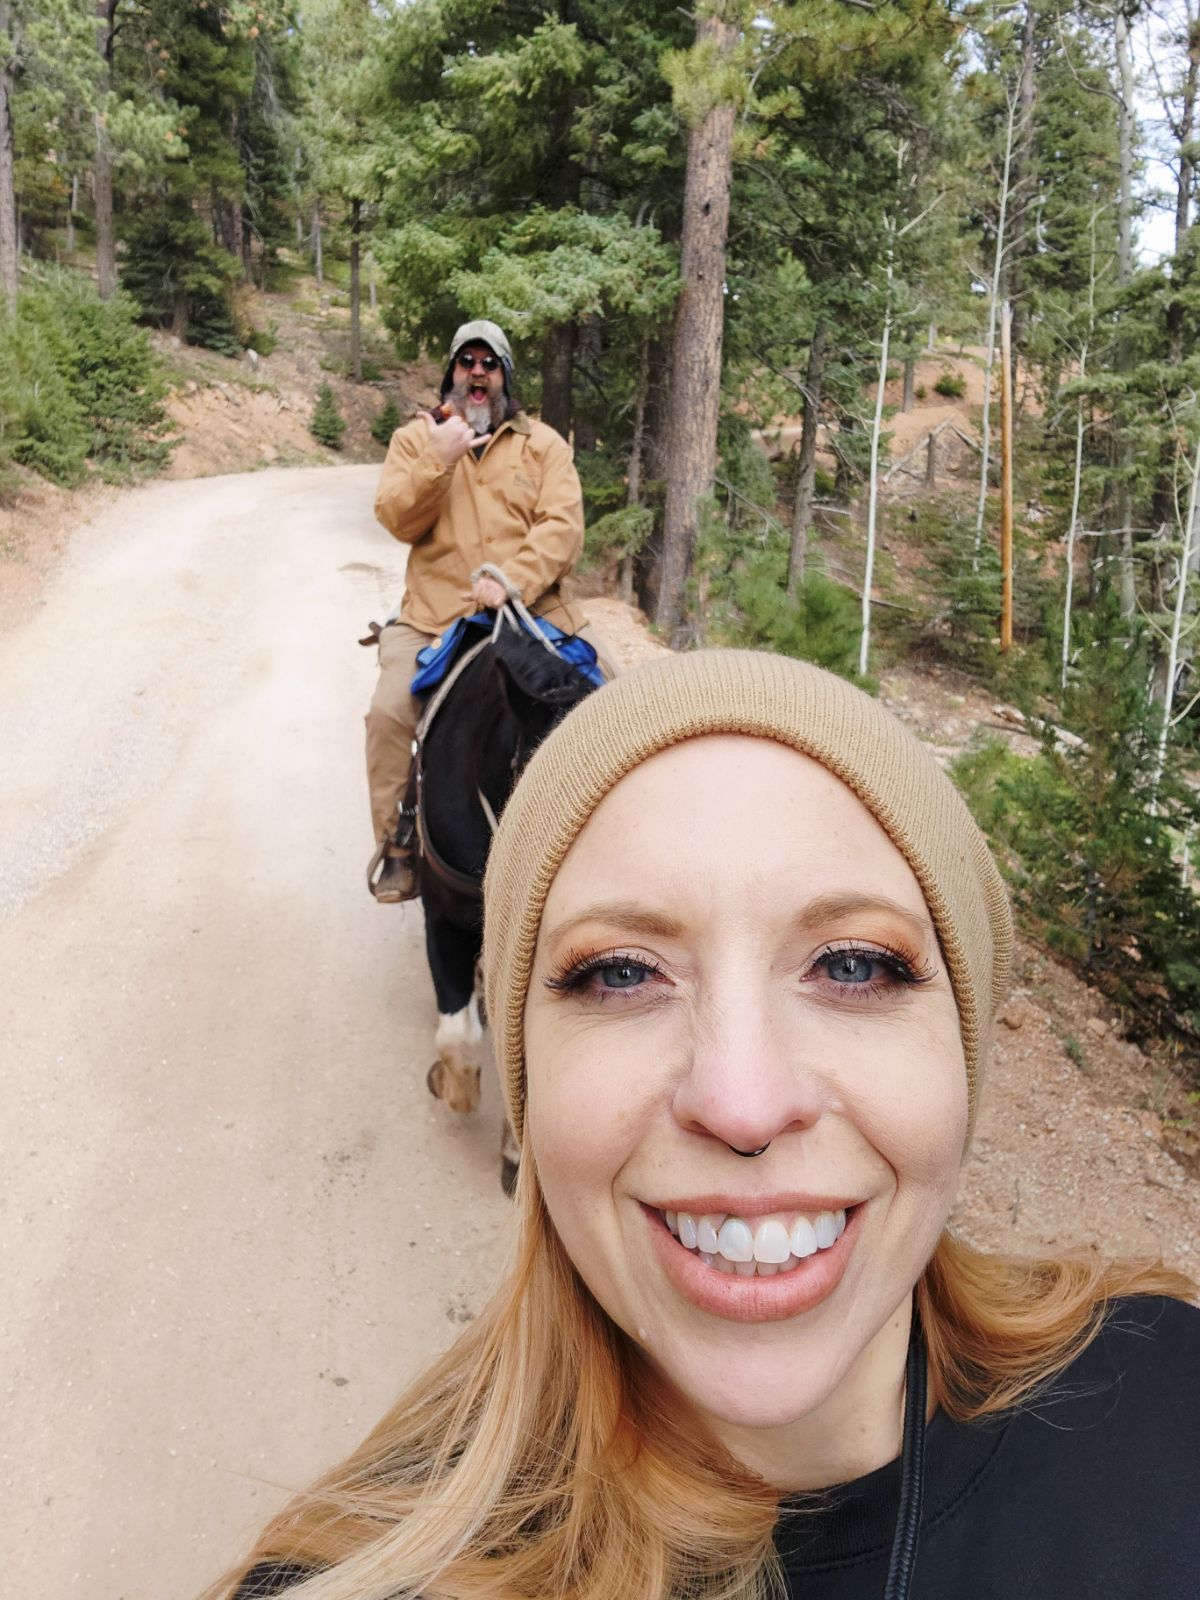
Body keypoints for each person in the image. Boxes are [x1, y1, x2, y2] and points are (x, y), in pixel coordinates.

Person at [216, 650, 1198, 1600]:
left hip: (535, 593)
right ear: (533, 1069)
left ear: (962, 1043)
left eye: (855, 963)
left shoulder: (1168, 1398)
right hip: (451, 599)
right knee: (400, 704)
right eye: (619, 971)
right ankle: (404, 836)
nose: (741, 1104)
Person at [366, 317, 612, 903]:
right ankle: (399, 842)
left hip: (532, 613)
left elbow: (563, 526)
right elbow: (396, 517)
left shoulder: (544, 444)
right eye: (466, 362)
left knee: (617, 702)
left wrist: (514, 580)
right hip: (435, 619)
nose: (477, 373)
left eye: (489, 363)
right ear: (451, 372)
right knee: (387, 715)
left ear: (505, 376)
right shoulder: (415, 440)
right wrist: (439, 460)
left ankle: (619, 847)